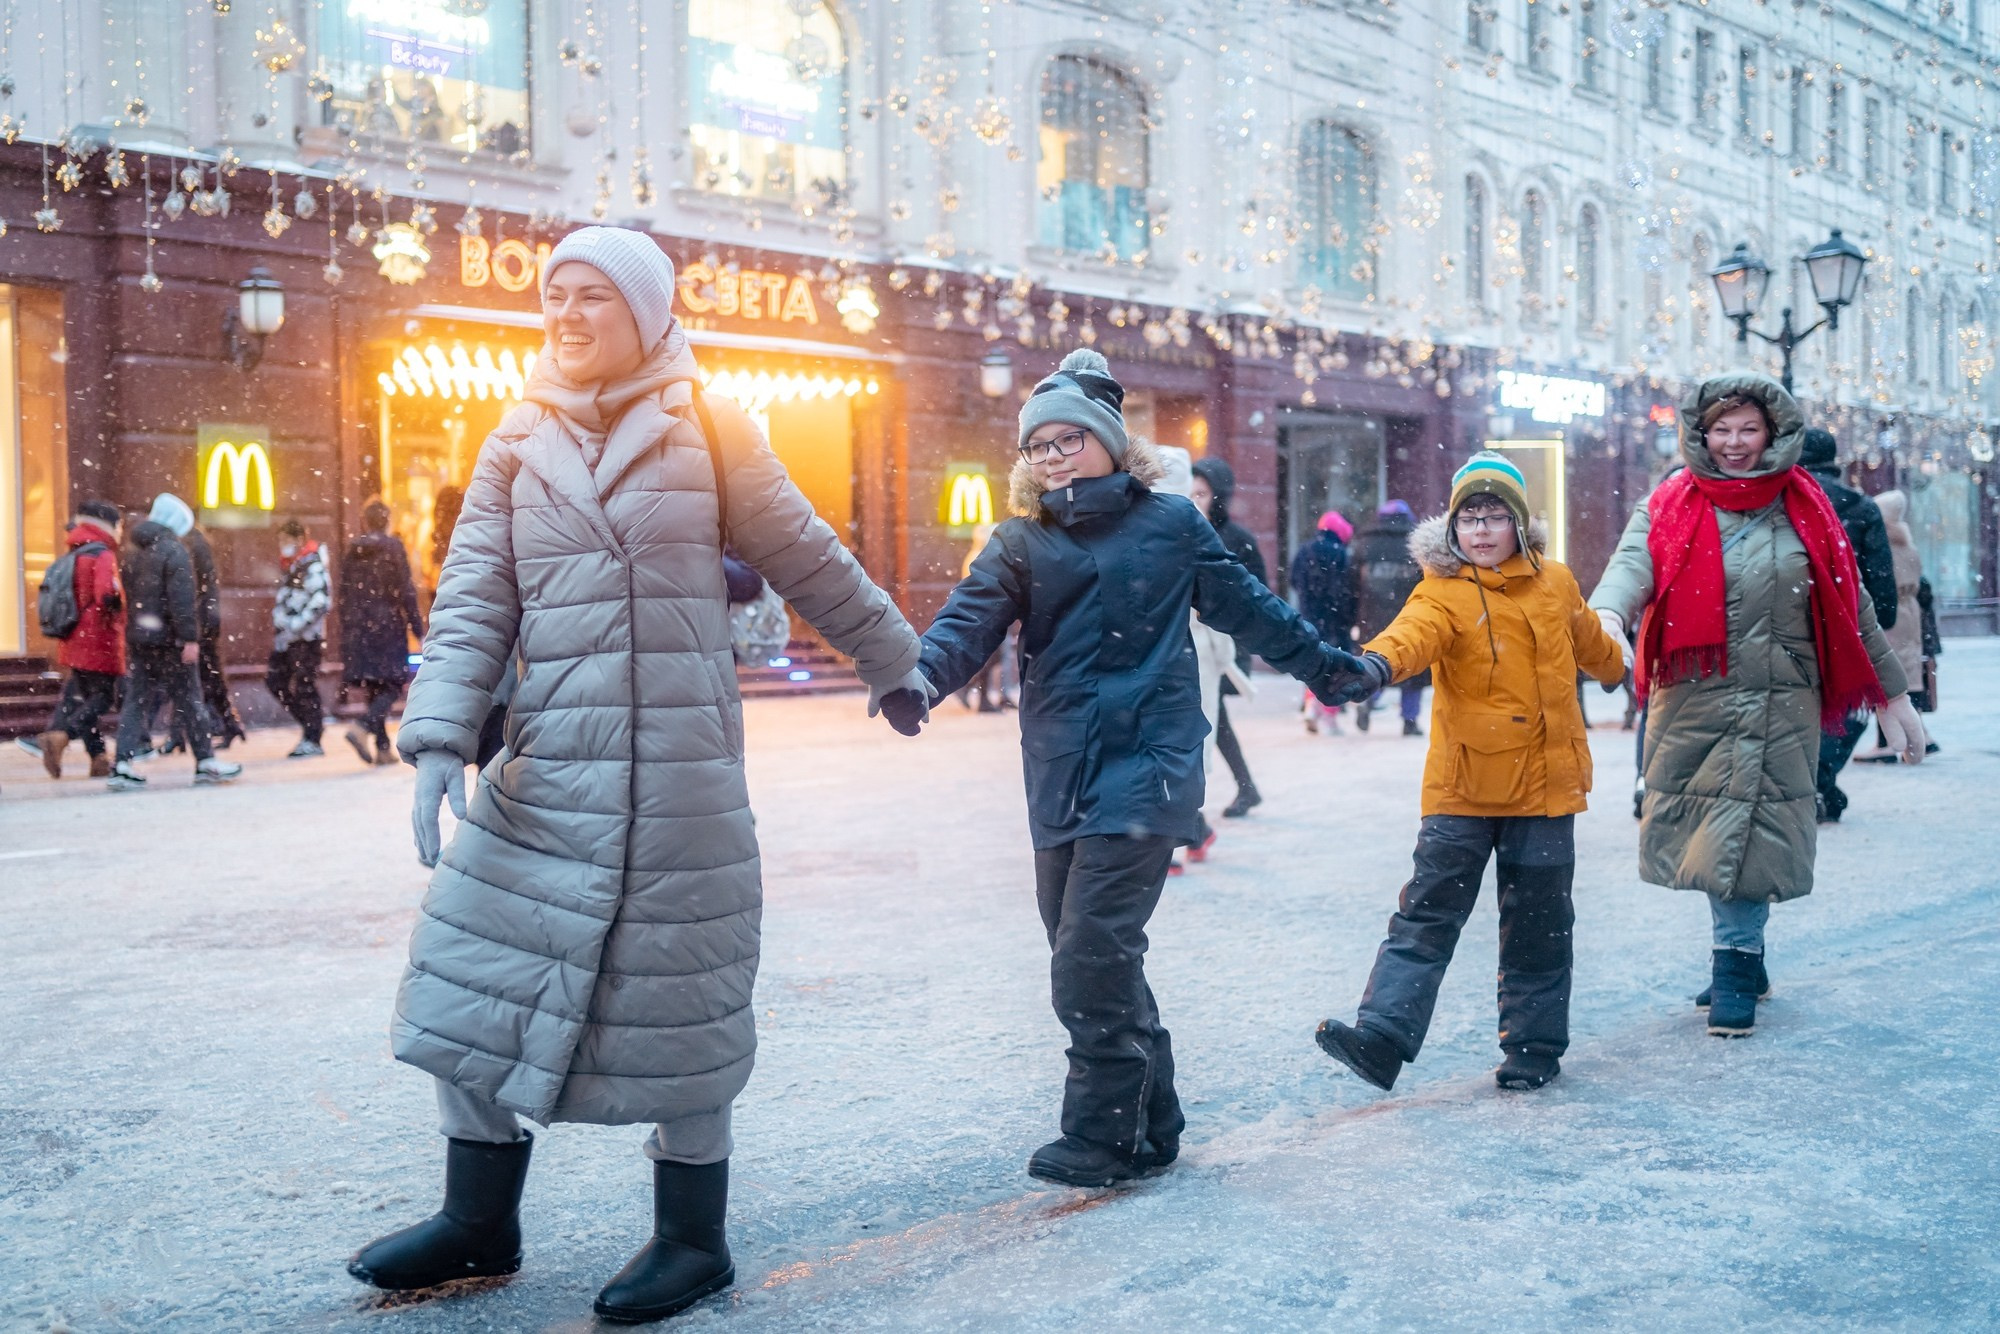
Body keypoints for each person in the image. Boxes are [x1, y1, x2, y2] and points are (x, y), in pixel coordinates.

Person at [348, 226, 925, 1324]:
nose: (565, 315)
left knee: (683, 1005)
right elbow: (475, 595)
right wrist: (434, 740)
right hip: (549, 766)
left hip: (679, 776)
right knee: (466, 981)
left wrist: (894, 657)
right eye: (552, 296)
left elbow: (805, 549)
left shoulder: (708, 423)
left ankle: (689, 1238)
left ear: (648, 313)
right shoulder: (514, 436)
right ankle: (478, 1217)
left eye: (591, 297)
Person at [875, 348, 1363, 1188]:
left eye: (1072, 438)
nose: (1057, 454)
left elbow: (1251, 609)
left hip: (1152, 764)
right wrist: (921, 677)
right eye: (1041, 445)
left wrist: (1331, 668)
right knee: (1093, 950)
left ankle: (1101, 1133)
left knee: (1090, 955)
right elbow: (967, 621)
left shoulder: (1172, 524)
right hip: (1061, 770)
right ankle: (1155, 1119)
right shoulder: (1022, 540)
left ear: (1110, 442)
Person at [1589, 375, 1923, 1037]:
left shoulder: (1808, 506)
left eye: (1748, 429)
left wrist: (1893, 698)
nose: (1734, 443)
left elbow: (1850, 606)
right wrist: (1606, 614)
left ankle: (1736, 963)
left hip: (1783, 697)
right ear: (1700, 433)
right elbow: (1631, 566)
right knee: (1721, 828)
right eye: (1721, 429)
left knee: (1754, 827)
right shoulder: (1670, 501)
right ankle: (1746, 951)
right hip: (1696, 695)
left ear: (1772, 433)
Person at [1312, 454, 1629, 1093]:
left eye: (1494, 517)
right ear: (1453, 529)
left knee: (1539, 925)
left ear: (1519, 524)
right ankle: (1381, 1039)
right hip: (1463, 789)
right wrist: (1372, 668)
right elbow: (1408, 638)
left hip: (1545, 789)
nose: (1480, 531)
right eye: (1468, 518)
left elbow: (1595, 649)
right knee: (1426, 916)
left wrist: (1616, 660)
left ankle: (1532, 1050)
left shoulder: (1557, 583)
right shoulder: (1440, 592)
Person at [108, 498, 242, 791]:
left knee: (136, 700)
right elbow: (181, 601)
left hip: (141, 638)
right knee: (191, 699)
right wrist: (190, 638)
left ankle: (121, 764)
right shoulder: (174, 551)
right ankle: (206, 762)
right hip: (171, 641)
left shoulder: (132, 551)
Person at [1799, 428, 1897, 822]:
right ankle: (1820, 777)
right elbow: (1879, 573)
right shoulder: (1860, 505)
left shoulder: (1783, 498)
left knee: (1798, 704)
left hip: (1793, 619)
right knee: (1847, 710)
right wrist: (1881, 619)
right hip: (1845, 624)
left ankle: (1809, 779)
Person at [1190, 456, 1269, 817]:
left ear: (1218, 496)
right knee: (1207, 715)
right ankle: (1242, 788)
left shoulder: (1237, 539)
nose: (1195, 500)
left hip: (1223, 643)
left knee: (1204, 714)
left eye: (1202, 493)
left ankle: (1193, 812)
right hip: (1194, 646)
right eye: (1190, 493)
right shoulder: (1183, 533)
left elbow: (1258, 595)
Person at [24, 500, 125, 779]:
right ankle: (61, 737)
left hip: (74, 636)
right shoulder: (102, 554)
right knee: (102, 698)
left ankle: (98, 758)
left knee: (83, 697)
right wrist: (119, 605)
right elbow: (107, 595)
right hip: (98, 639)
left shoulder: (76, 551)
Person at [338, 499, 425, 765]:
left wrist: (348, 628)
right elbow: (406, 590)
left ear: (365, 521)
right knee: (394, 682)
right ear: (387, 521)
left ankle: (383, 748)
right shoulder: (393, 548)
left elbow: (343, 593)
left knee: (375, 685)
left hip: (359, 628)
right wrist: (417, 628)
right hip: (387, 626)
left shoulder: (353, 550)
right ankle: (362, 727)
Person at [1852, 490, 1936, 761]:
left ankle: (1888, 743)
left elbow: (1877, 578)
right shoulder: (1907, 542)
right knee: (1908, 674)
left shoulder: (1882, 542)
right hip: (1910, 611)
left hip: (1890, 611)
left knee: (1887, 677)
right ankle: (1920, 734)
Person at [1349, 499, 1428, 737]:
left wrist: (1354, 613)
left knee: (1380, 664)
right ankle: (1409, 720)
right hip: (1409, 613)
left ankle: (1369, 701)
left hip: (1372, 617)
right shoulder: (1417, 543)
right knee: (1413, 668)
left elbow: (1351, 583)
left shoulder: (1365, 543)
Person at [266, 518, 331, 758]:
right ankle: (310, 727)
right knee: (275, 681)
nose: (283, 545)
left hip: (306, 639)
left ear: (300, 540)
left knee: (304, 685)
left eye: (287, 540)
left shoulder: (311, 565)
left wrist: (295, 624)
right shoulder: (293, 565)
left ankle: (313, 735)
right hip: (288, 640)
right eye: (281, 541)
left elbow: (321, 601)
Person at [1290, 508, 1355, 734]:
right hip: (1335, 620)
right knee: (1335, 668)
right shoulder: (1341, 553)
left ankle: (1310, 705)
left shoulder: (1305, 549)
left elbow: (1293, 580)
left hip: (1308, 617)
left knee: (1312, 665)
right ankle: (1329, 718)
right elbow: (1346, 591)